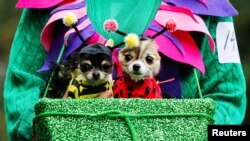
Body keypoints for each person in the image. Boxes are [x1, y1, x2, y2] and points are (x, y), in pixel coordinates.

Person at [4, 0, 246, 140]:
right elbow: (23, 85)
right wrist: (40, 133)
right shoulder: (49, 2)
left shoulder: (208, 5)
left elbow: (228, 97)